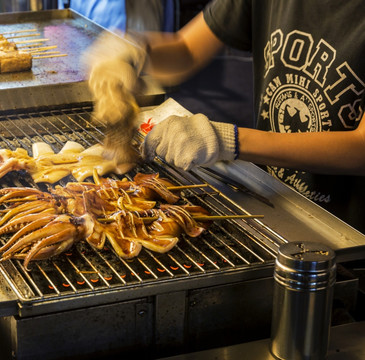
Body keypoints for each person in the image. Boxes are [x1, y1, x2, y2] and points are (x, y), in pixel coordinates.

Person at [86, 0, 365, 233]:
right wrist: (135, 51)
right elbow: (185, 50)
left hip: (348, 230)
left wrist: (228, 140)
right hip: (276, 201)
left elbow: (361, 148)